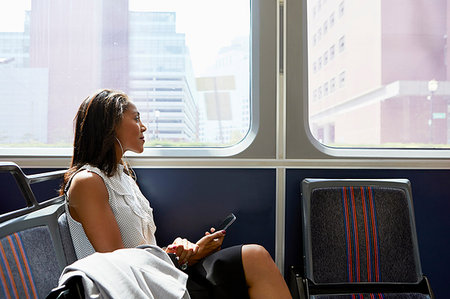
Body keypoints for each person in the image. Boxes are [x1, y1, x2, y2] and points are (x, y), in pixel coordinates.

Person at [60, 89, 292, 299]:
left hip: (153, 276)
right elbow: (118, 266)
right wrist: (177, 256)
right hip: (133, 287)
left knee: (254, 257)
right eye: (136, 118)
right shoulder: (88, 183)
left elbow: (142, 249)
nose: (144, 127)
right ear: (110, 125)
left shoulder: (124, 178)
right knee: (253, 259)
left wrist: (186, 253)